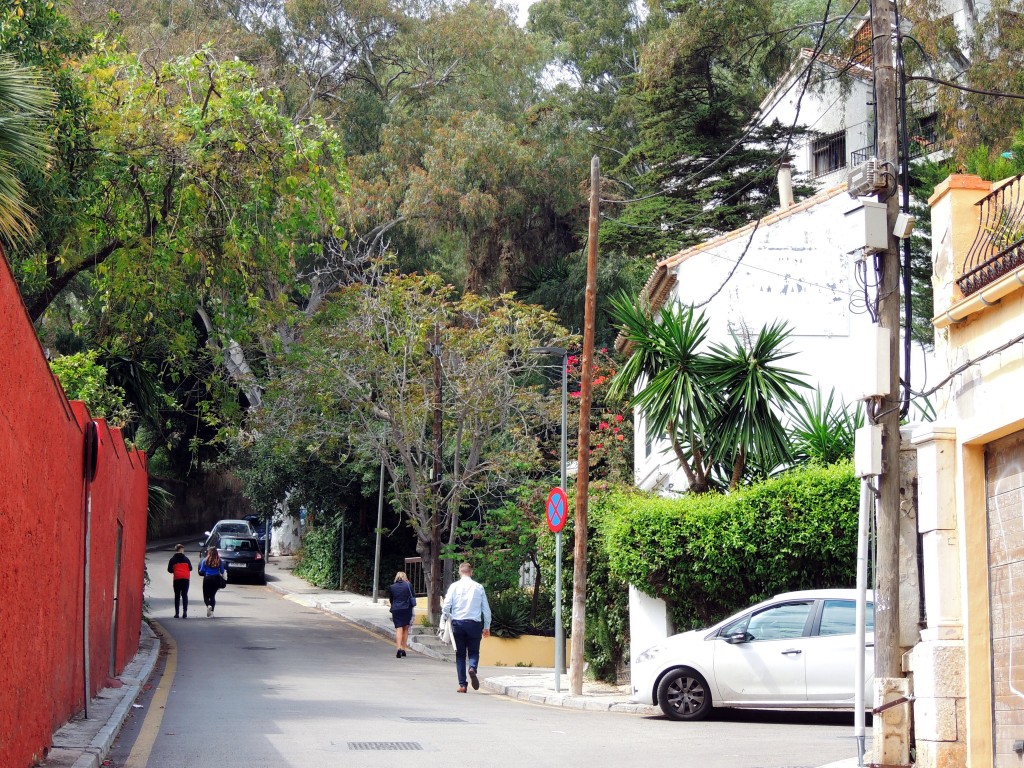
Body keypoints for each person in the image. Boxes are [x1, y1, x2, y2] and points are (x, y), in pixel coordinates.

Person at [441, 562, 491, 693]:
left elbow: (446, 606)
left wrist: (444, 618)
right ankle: (473, 668)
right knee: (474, 652)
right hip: (474, 624)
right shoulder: (478, 587)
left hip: (458, 624)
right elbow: (486, 609)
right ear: (471, 572)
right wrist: (487, 627)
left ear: (459, 572)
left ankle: (463, 685)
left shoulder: (454, 586)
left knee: (460, 655)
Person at [387, 571, 417, 658]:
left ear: (397, 577)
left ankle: (398, 648)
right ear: (405, 577)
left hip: (396, 609)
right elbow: (413, 596)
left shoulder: (392, 587)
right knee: (405, 628)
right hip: (407, 608)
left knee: (398, 628)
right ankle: (404, 648)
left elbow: (391, 599)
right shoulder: (409, 585)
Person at [198, 546, 226, 618]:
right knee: (212, 596)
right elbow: (222, 571)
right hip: (216, 579)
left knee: (206, 596)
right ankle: (212, 612)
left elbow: (201, 571)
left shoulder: (205, 560)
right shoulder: (219, 560)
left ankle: (208, 605)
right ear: (216, 552)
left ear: (209, 553)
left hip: (207, 579)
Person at [166, 544, 192, 619]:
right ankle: (185, 612)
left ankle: (177, 613)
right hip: (185, 579)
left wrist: (175, 570)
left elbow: (169, 570)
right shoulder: (186, 559)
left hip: (177, 579)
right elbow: (190, 568)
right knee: (184, 595)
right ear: (181, 550)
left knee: (177, 596)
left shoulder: (172, 559)